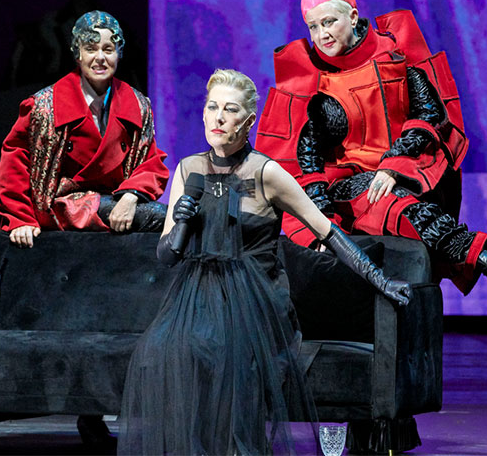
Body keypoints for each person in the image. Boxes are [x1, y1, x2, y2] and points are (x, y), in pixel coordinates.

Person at [118, 69, 411, 455]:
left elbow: (328, 232)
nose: (219, 118)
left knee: (224, 351)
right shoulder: (189, 170)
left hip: (256, 300)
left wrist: (380, 280)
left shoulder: (266, 173)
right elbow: (167, 255)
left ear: (249, 121)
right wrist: (182, 222)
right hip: (199, 295)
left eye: (230, 110)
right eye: (212, 107)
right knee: (168, 351)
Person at [255, 0, 487, 316]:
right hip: (345, 190)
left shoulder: (393, 54)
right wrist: (323, 225)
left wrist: (394, 165)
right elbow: (306, 160)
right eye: (313, 27)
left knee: (398, 199)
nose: (322, 35)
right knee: (391, 202)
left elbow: (430, 113)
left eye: (329, 22)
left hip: (406, 172)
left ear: (352, 16)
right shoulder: (312, 81)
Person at [0, 10, 169, 248]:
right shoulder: (44, 106)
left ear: (119, 53)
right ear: (77, 54)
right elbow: (15, 161)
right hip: (62, 205)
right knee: (159, 217)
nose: (100, 58)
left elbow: (150, 162)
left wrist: (131, 195)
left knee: (174, 219)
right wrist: (20, 218)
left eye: (108, 49)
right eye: (91, 49)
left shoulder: (137, 106)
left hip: (116, 201)